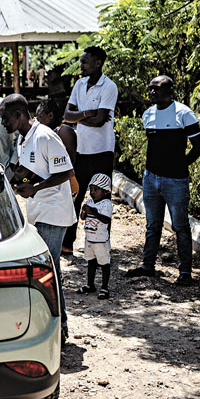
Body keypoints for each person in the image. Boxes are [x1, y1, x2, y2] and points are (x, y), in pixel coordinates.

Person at [0, 94, 77, 340]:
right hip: (37, 210)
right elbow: (32, 171)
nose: (2, 123)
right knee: (47, 269)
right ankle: (55, 325)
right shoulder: (23, 139)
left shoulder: (44, 135)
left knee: (49, 269)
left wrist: (35, 188)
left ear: (20, 115)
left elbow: (65, 172)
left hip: (53, 211)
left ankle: (60, 328)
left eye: (5, 118)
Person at [126, 75, 200, 285]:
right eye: (150, 89)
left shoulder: (184, 113)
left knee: (180, 226)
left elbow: (199, 146)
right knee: (153, 225)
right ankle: (147, 266)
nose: (152, 92)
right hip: (150, 178)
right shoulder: (147, 115)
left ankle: (185, 273)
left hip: (176, 181)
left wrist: (181, 165)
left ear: (170, 92)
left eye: (157, 89)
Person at [62, 46, 118, 252]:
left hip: (102, 152)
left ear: (98, 63)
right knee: (75, 197)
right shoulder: (79, 84)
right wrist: (87, 113)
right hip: (81, 151)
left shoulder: (109, 87)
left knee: (101, 201)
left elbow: (101, 120)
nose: (81, 65)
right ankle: (68, 243)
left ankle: (101, 243)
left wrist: (80, 117)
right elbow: (67, 116)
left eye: (85, 62)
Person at [36, 99, 79, 254]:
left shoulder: (64, 131)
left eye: (39, 116)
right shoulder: (46, 133)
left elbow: (70, 161)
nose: (37, 120)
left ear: (50, 115)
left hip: (66, 181)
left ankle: (65, 244)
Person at [79, 173, 113, 299]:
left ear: (104, 192)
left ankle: (104, 287)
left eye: (96, 190)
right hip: (89, 239)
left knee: (104, 263)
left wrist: (93, 211)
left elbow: (105, 220)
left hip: (101, 241)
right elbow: (82, 218)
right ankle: (90, 284)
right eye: (91, 189)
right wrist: (83, 211)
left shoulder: (106, 204)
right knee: (91, 262)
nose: (92, 192)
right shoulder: (89, 202)